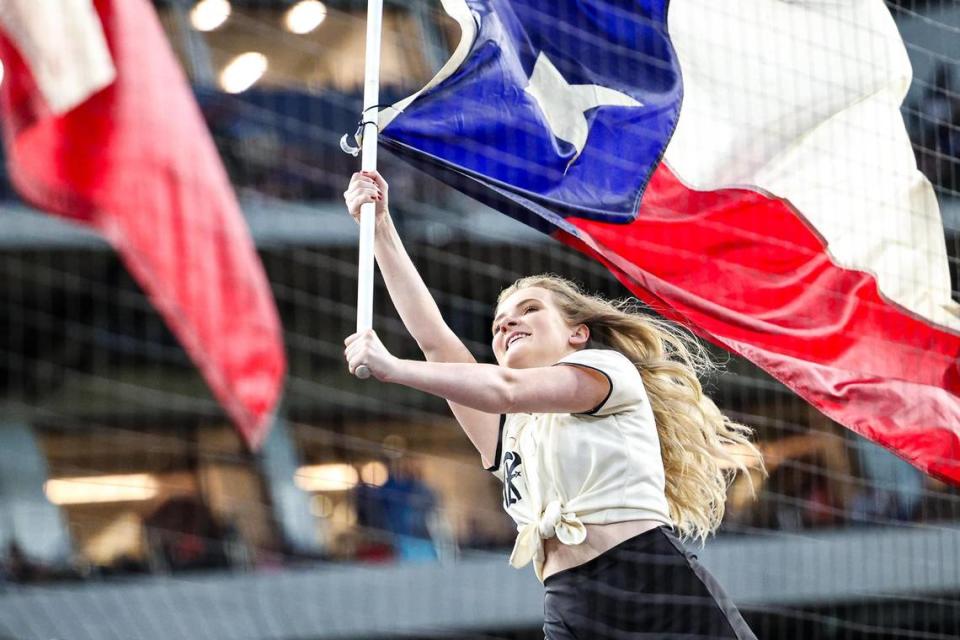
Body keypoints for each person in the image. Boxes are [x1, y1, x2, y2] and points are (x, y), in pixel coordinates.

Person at [343, 171, 762, 639]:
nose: (507, 324)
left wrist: (392, 367)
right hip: (570, 603)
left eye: (529, 310)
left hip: (656, 587)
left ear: (576, 333)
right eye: (499, 322)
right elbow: (439, 347)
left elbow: (504, 388)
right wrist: (379, 226)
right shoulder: (508, 430)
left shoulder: (607, 371)